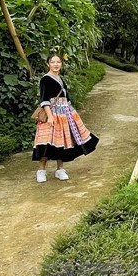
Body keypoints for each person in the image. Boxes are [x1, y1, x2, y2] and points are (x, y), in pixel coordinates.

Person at [32, 53, 98, 183]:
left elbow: (67, 98)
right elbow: (44, 99)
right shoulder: (45, 79)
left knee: (61, 141)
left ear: (61, 64)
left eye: (58, 62)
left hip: (64, 113)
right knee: (45, 142)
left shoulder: (61, 79)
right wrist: (50, 117)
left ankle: (60, 169)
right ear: (48, 64)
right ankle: (41, 171)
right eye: (53, 62)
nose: (55, 64)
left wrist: (72, 114)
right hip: (52, 114)